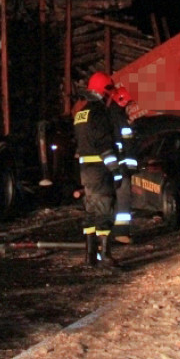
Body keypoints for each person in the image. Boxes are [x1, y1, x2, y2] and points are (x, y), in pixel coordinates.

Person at [72, 71, 119, 267]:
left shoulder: (81, 113)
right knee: (104, 210)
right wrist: (115, 169)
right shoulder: (99, 113)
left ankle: (90, 255)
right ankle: (105, 256)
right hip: (100, 169)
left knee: (90, 211)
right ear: (103, 91)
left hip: (86, 170)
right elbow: (103, 144)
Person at [107, 86, 138, 244]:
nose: (130, 108)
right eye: (128, 104)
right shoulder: (119, 120)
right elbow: (128, 145)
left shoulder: (109, 116)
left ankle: (107, 233)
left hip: (112, 165)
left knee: (111, 200)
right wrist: (129, 167)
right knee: (123, 199)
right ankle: (121, 232)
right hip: (121, 166)